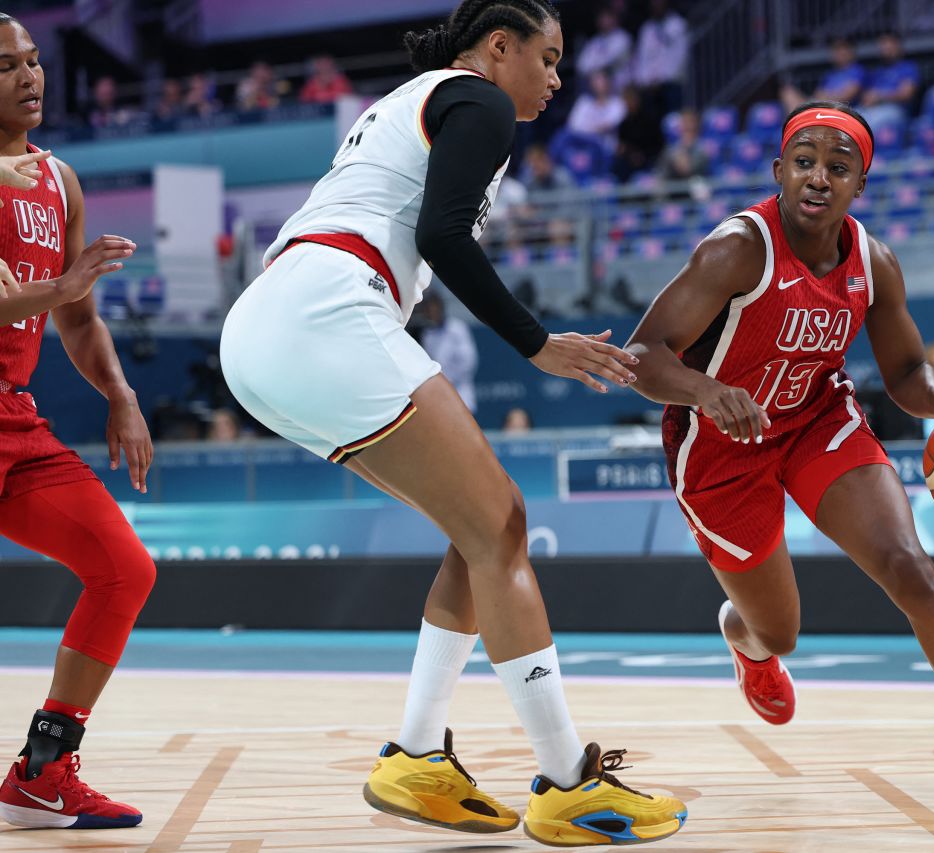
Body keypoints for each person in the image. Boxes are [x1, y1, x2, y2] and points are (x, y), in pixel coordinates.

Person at [217, 1, 686, 847]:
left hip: (268, 327)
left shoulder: (414, 102)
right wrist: (537, 343)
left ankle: (420, 756)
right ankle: (570, 781)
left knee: (478, 534)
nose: (555, 78)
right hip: (326, 311)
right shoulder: (482, 101)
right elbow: (442, 234)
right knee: (504, 522)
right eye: (546, 57)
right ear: (498, 47)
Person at [625, 100, 934, 831]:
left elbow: (905, 368)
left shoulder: (874, 262)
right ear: (779, 171)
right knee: (779, 631)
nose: (818, 177)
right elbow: (642, 356)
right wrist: (708, 391)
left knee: (911, 566)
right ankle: (748, 642)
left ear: (859, 185)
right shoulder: (737, 251)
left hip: (816, 419)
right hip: (718, 446)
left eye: (837, 168)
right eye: (804, 162)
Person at [0, 13, 155, 830]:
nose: (28, 77)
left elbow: (80, 318)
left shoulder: (59, 180)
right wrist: (60, 289)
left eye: (34, 61)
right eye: (5, 66)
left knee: (124, 569)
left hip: (15, 423)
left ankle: (42, 768)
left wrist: (120, 394)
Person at [417, 291, 479, 412]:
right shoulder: (427, 334)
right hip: (439, 395)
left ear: (440, 307)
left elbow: (468, 362)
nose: (431, 312)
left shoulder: (457, 328)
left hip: (461, 393)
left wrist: (447, 379)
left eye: (433, 308)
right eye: (427, 309)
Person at [631, 0, 688, 115]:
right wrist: (644, 80)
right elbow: (643, 57)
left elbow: (680, 56)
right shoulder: (647, 28)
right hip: (649, 86)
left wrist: (662, 78)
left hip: (672, 83)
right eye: (654, 2)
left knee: (672, 120)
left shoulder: (678, 24)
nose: (657, 4)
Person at [781, 36, 865, 114]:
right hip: (821, 105)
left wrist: (827, 98)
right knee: (788, 92)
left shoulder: (858, 70)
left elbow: (848, 96)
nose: (840, 53)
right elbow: (818, 94)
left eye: (844, 49)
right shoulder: (830, 74)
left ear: (851, 51)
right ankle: (797, 123)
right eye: (837, 49)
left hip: (842, 110)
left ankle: (802, 120)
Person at [859, 32, 919, 127]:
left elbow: (906, 94)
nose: (887, 47)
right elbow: (867, 96)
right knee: (850, 119)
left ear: (898, 46)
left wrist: (880, 97)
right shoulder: (877, 71)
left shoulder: (908, 67)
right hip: (873, 110)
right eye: (883, 44)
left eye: (890, 43)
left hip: (897, 110)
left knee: (866, 124)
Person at [565, 70, 626, 148]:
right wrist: (593, 128)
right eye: (596, 80)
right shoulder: (584, 102)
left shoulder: (617, 103)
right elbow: (572, 125)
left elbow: (609, 125)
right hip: (581, 139)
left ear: (608, 82)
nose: (599, 84)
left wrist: (587, 127)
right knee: (563, 135)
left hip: (604, 142)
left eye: (601, 80)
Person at [576, 9, 632, 87]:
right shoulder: (594, 41)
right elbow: (581, 66)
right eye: (601, 18)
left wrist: (597, 69)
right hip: (598, 87)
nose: (604, 21)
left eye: (607, 17)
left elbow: (614, 62)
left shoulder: (623, 37)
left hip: (622, 86)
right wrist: (596, 72)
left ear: (614, 19)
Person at [656, 108, 711, 183]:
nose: (688, 126)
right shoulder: (672, 147)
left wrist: (682, 155)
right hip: (673, 184)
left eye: (690, 122)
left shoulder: (705, 145)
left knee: (698, 183)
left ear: (697, 124)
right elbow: (662, 169)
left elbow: (688, 168)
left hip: (698, 182)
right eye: (684, 122)